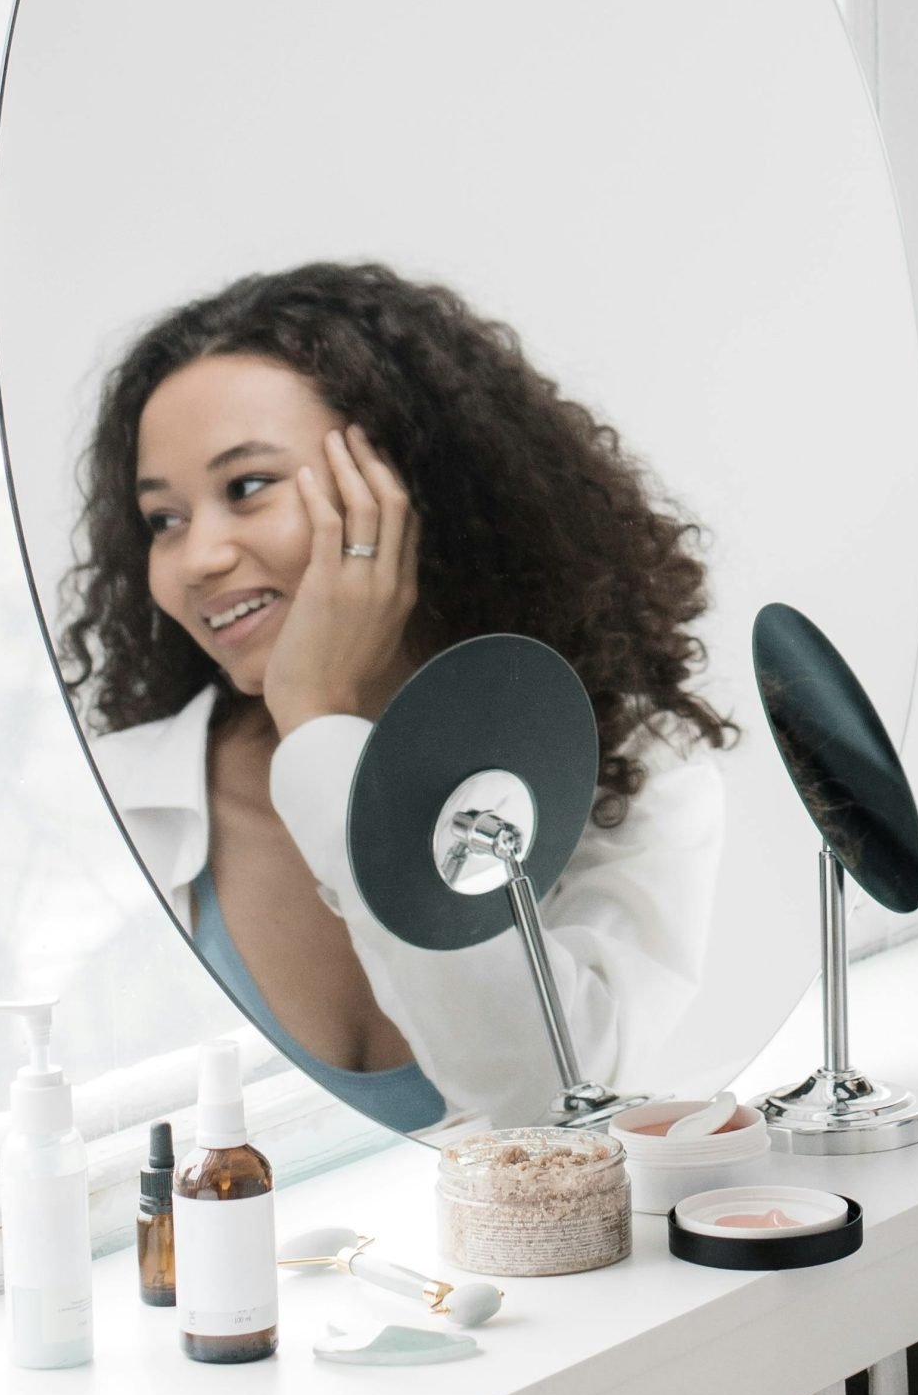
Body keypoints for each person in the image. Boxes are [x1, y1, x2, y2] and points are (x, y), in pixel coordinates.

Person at [58, 261, 733, 1132]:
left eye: (248, 486)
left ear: (403, 485)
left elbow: (543, 1102)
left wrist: (321, 731)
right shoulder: (119, 805)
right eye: (164, 520)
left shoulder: (631, 771)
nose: (197, 560)